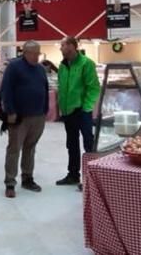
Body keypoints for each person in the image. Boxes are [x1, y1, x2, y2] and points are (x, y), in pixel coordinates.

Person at [0, 40, 48, 198]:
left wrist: (45, 110)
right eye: (34, 53)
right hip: (19, 116)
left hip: (38, 116)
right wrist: (10, 111)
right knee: (14, 149)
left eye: (38, 53)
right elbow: (6, 90)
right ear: (25, 52)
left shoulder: (40, 69)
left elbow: (45, 89)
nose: (36, 57)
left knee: (31, 148)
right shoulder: (14, 67)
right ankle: (10, 182)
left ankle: (27, 178)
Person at [55, 37, 101, 186]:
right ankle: (73, 175)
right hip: (68, 112)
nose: (60, 48)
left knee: (88, 143)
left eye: (62, 45)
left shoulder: (86, 63)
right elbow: (62, 87)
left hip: (82, 110)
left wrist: (86, 107)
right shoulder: (62, 66)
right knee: (72, 144)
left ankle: (91, 178)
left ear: (72, 46)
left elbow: (93, 87)